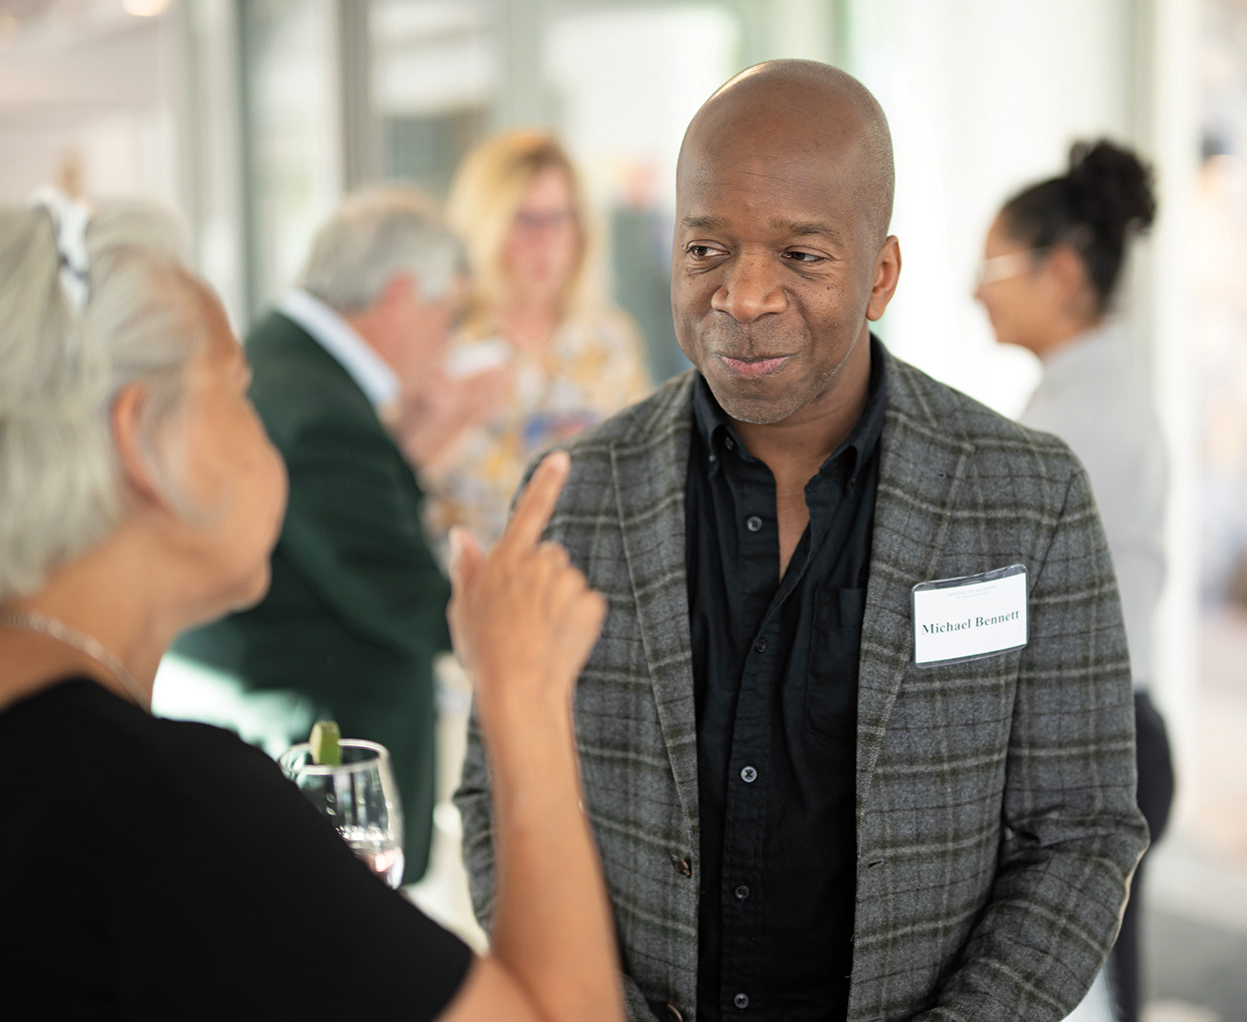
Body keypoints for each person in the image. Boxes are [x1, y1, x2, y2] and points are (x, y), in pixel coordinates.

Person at [457, 60, 1150, 1022]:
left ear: (880, 275)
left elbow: (1079, 832)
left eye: (801, 256)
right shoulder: (575, 501)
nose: (743, 296)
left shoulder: (1028, 498)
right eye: (707, 250)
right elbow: (500, 806)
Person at [0, 193, 622, 1021]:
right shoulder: (161, 811)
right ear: (144, 441)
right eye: (238, 392)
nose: (265, 430)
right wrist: (523, 693)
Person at [164, 187, 488, 884]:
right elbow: (408, 598)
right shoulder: (321, 411)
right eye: (449, 313)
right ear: (401, 296)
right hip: (315, 759)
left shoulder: (286, 363)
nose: (449, 339)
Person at [974, 140, 1175, 1022]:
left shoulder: (1077, 424)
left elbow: (1002, 599)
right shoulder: (1083, 399)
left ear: (1059, 272)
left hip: (1101, 747)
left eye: (993, 264)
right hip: (1122, 735)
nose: (975, 287)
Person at [434, 129, 652, 546]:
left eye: (559, 219)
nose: (544, 241)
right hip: (468, 590)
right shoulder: (443, 346)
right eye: (525, 220)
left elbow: (645, 474)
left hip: (590, 590)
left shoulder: (609, 342)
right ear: (485, 226)